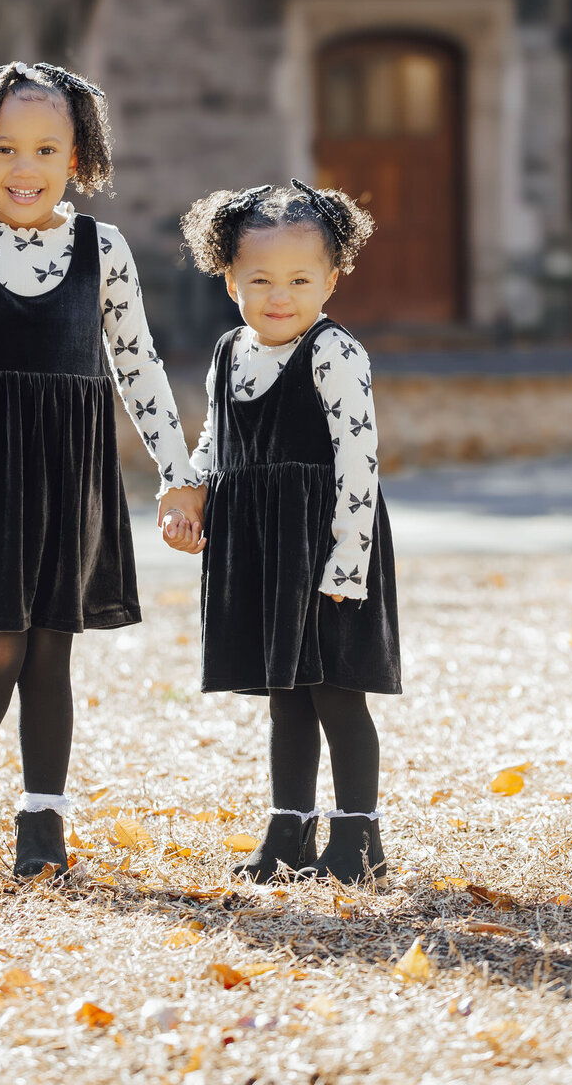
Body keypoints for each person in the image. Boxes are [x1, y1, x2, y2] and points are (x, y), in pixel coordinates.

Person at [0, 60, 204, 879]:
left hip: (72, 471)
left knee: (50, 652)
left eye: (45, 150)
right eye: (3, 150)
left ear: (78, 157)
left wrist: (178, 476)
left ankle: (43, 821)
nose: (24, 169)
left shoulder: (101, 248)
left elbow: (138, 365)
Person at [169, 180, 401, 886]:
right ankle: (289, 828)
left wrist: (347, 564)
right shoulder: (229, 352)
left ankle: (359, 837)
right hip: (262, 547)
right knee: (287, 693)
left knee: (335, 689)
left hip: (324, 545)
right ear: (228, 278)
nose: (280, 295)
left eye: (301, 279)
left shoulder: (334, 354)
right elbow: (215, 437)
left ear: (331, 280)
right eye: (259, 279)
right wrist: (190, 494)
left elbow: (361, 465)